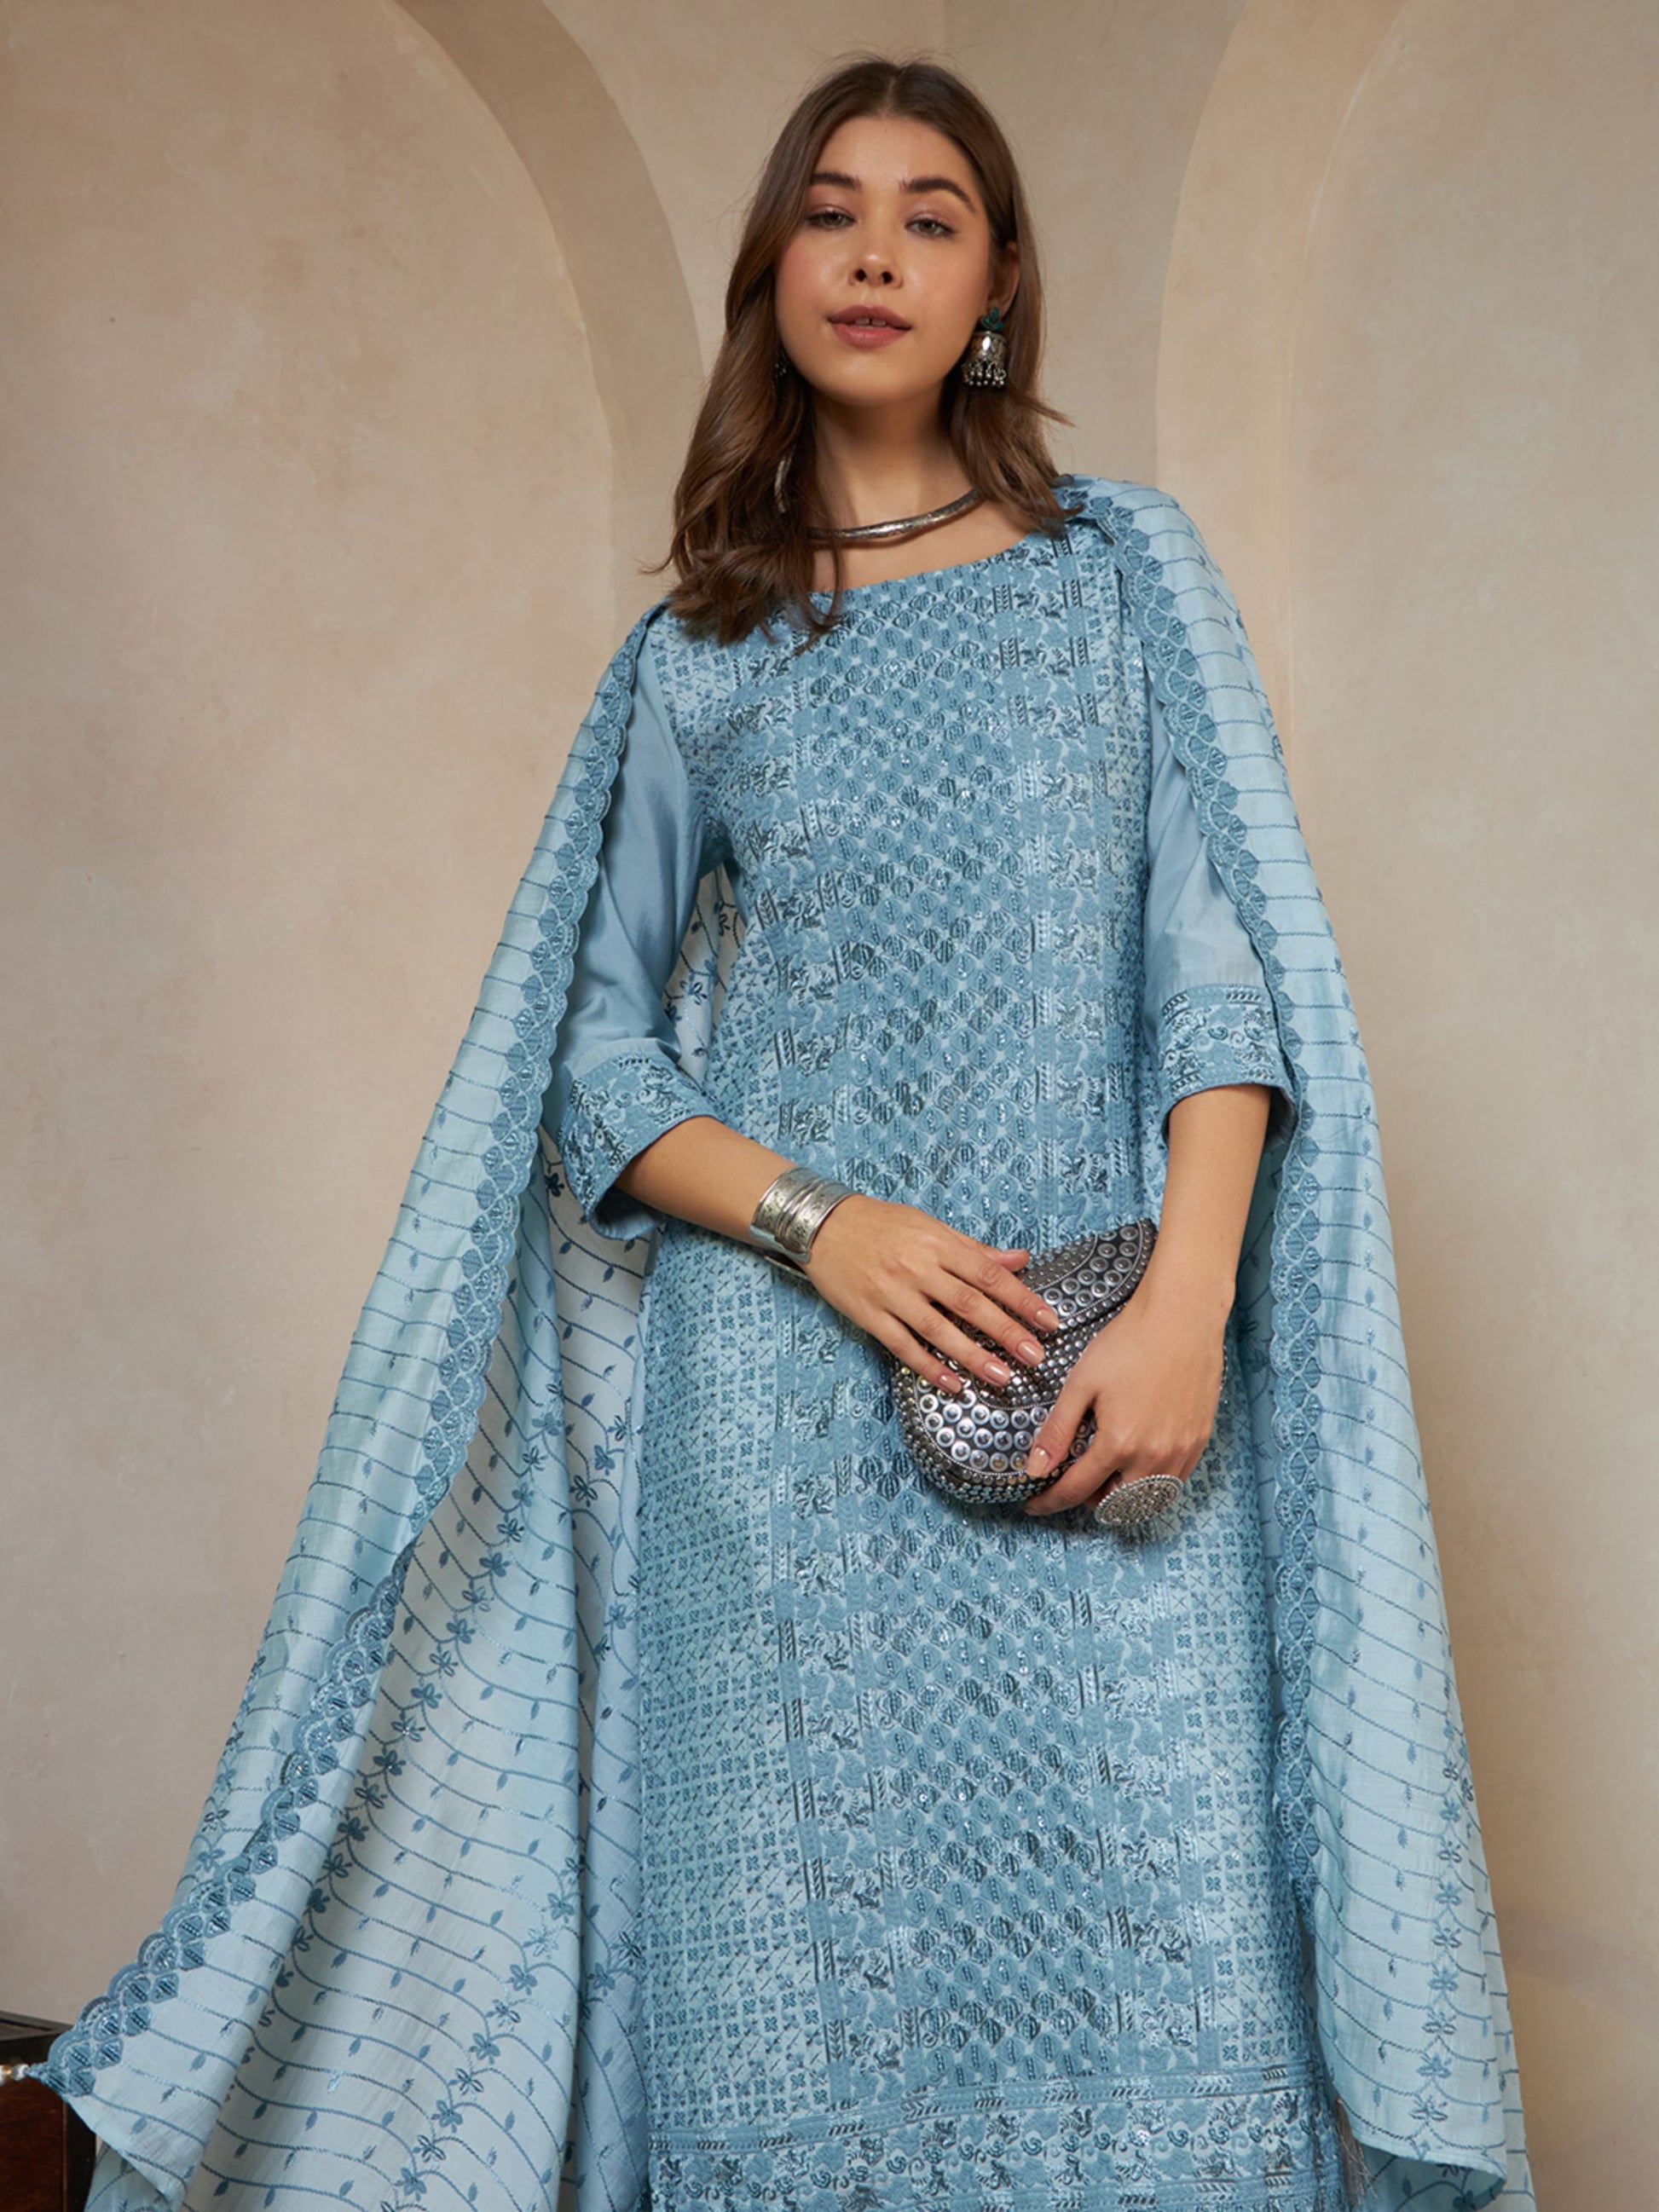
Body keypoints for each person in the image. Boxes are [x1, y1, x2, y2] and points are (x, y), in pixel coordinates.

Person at [32, 50, 1531, 2212]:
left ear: (999, 285)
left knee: (1183, 1994)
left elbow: (1219, 974)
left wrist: (1190, 1301)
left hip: (1098, 1379)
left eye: (932, 216)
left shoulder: (1121, 579)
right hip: (781, 1435)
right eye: (831, 211)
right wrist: (825, 1227)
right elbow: (590, 1060)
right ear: (770, 270)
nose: (875, 254)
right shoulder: (700, 654)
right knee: (801, 2060)